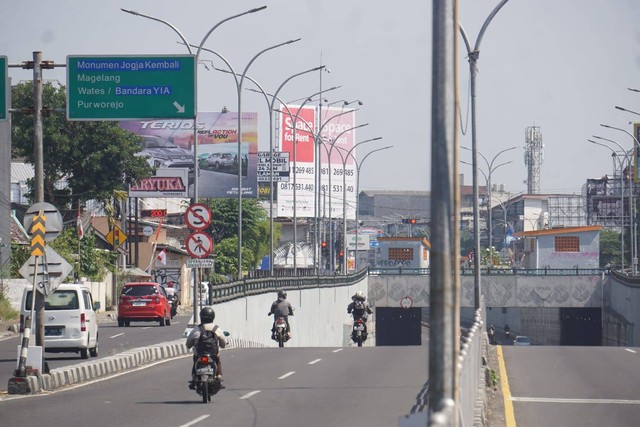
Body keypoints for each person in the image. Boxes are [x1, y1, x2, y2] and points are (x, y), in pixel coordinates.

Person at [186, 306, 227, 389]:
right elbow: (223, 342)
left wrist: (190, 345)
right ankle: (219, 377)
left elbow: (188, 343)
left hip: (200, 354)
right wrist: (223, 345)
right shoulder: (216, 328)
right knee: (218, 359)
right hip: (213, 354)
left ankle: (194, 379)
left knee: (195, 360)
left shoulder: (197, 329)